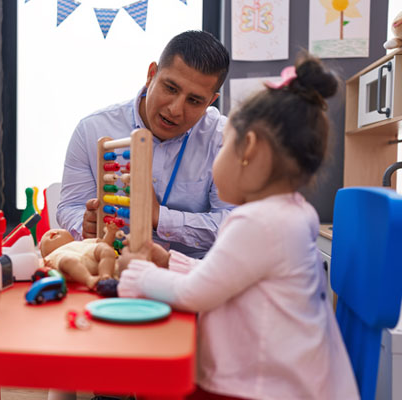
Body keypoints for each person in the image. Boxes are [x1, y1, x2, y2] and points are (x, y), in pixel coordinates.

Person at [117, 54, 360, 399]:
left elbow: (195, 294)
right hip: (291, 381)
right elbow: (229, 275)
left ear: (247, 149)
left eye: (224, 144)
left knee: (153, 383)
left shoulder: (257, 222)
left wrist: (137, 272)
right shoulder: (293, 213)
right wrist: (170, 260)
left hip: (259, 388)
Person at [56, 30, 233, 259]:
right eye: (170, 88)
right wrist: (84, 226)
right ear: (151, 75)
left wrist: (159, 216)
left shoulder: (224, 139)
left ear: (210, 101)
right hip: (113, 265)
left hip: (193, 273)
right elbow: (70, 206)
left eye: (194, 100)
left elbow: (235, 223)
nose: (175, 109)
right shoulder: (92, 130)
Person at [39, 223, 122, 296]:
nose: (54, 232)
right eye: (46, 237)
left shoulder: (83, 242)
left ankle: (106, 276)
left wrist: (110, 233)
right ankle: (89, 279)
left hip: (92, 255)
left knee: (106, 249)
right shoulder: (51, 257)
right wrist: (48, 267)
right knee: (68, 261)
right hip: (72, 265)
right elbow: (41, 269)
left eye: (59, 230)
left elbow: (104, 243)